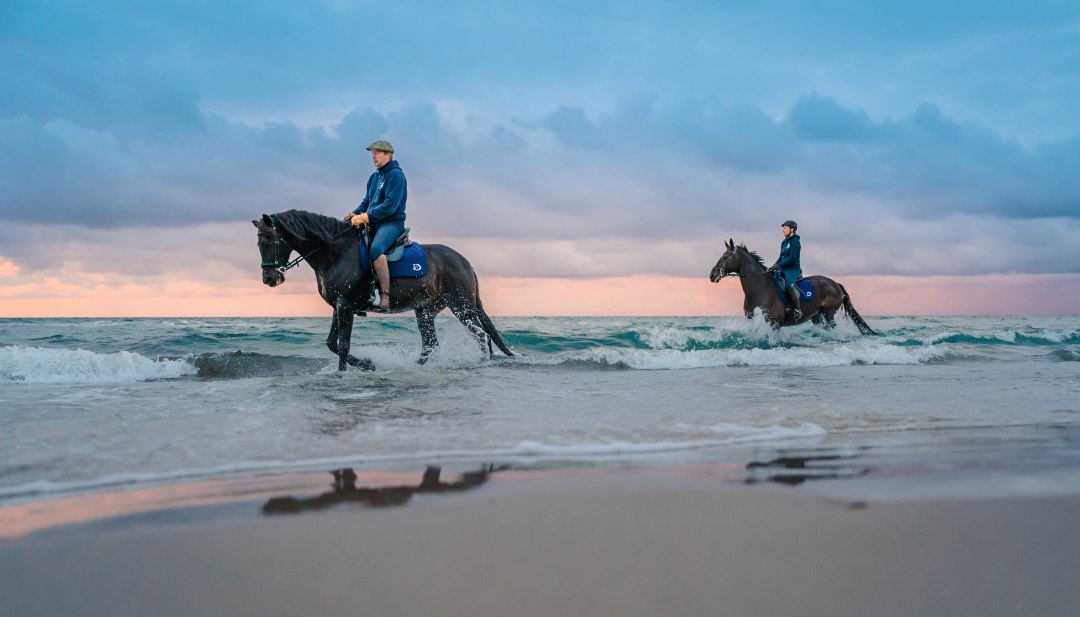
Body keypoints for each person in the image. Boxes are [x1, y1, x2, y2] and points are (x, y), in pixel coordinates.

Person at [344, 140, 407, 310]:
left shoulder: (396, 175)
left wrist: (364, 217)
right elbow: (366, 202)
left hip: (391, 223)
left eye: (377, 153)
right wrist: (354, 214)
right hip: (373, 222)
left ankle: (385, 296)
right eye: (372, 153)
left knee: (376, 249)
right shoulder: (374, 177)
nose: (373, 156)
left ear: (388, 155)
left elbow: (389, 207)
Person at [767, 220, 802, 320]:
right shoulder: (784, 242)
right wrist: (774, 265)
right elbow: (781, 257)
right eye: (783, 228)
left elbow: (792, 258)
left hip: (793, 269)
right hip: (783, 268)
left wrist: (779, 265)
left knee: (789, 285)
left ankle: (797, 309)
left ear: (792, 229)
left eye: (785, 228)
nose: (783, 230)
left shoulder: (795, 241)